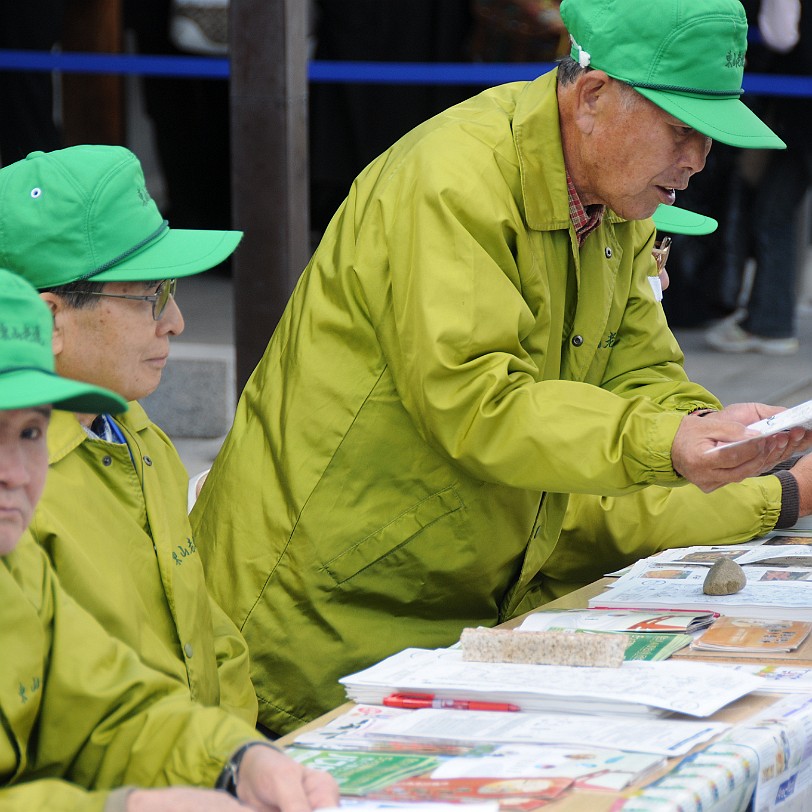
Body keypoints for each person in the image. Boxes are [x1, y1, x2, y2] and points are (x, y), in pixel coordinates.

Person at [193, 0, 811, 735]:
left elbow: (641, 370)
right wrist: (670, 445)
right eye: (681, 131)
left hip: (458, 597)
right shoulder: (453, 181)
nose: (698, 160)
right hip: (328, 611)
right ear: (592, 96)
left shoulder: (615, 196)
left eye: (708, 136)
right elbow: (478, 400)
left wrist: (714, 431)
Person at [0, 270, 339, 811]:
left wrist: (237, 760)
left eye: (31, 433)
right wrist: (124, 807)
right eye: (144, 298)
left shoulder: (16, 567)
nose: (15, 472)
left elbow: (113, 709)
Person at [0, 144, 257, 725]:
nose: (176, 321)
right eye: (150, 297)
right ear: (48, 319)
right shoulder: (16, 494)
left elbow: (213, 642)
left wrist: (238, 757)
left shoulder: (140, 438)